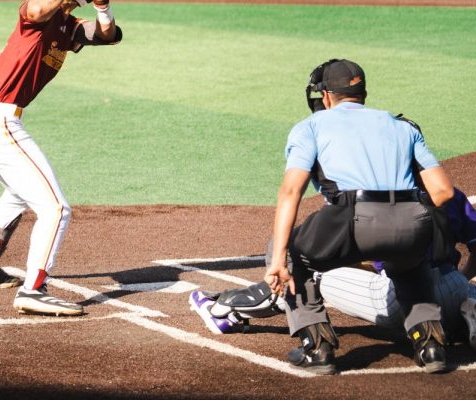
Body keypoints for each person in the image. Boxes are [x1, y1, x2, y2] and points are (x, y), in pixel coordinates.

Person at [263, 59, 456, 374]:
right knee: (410, 265)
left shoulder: (311, 126)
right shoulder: (402, 126)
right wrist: (403, 221)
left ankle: (318, 348)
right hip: (412, 218)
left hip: (352, 219)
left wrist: (278, 260)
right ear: (362, 92)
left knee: (285, 249)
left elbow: (290, 191)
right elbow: (444, 192)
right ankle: (431, 345)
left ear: (326, 96)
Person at [0, 0, 121, 316]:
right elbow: (36, 10)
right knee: (56, 208)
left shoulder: (68, 26)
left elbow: (109, 36)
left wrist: (102, 4)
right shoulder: (36, 12)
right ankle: (34, 290)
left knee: (19, 194)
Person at [189, 186, 476, 350]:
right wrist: (460, 279)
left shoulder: (378, 201)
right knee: (448, 292)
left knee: (301, 264)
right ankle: (463, 313)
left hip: (399, 301)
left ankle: (227, 309)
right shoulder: (450, 192)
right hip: (456, 287)